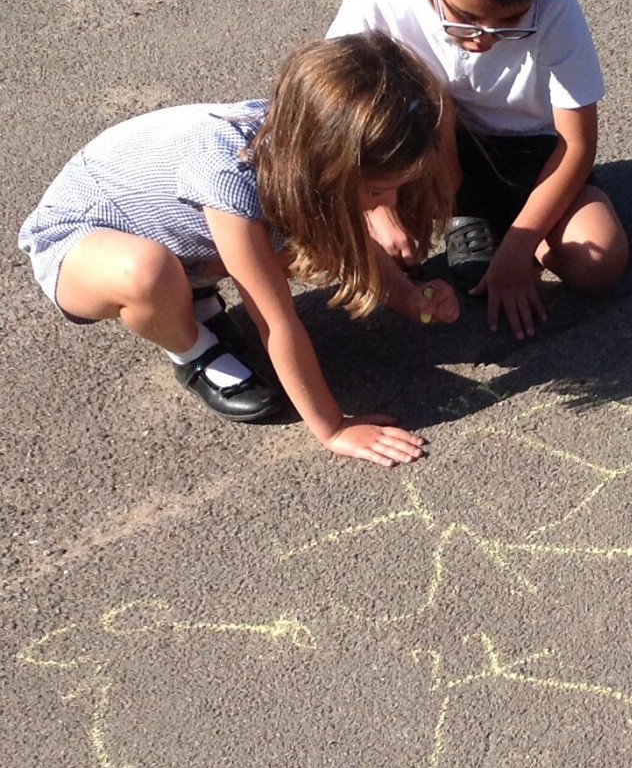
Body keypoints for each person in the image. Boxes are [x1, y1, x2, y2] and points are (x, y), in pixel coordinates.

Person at [18, 32, 459, 467]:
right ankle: (193, 349)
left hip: (176, 236)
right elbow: (274, 319)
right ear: (331, 164)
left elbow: (346, 240)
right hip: (79, 240)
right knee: (148, 274)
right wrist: (334, 427)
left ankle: (192, 289)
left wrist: (404, 295)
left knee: (296, 242)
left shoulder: (306, 139)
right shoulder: (230, 173)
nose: (390, 205)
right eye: (379, 190)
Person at [328, 0, 628, 340]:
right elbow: (336, 110)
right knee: (374, 249)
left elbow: (576, 143)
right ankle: (462, 208)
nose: (483, 39)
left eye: (510, 22)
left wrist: (520, 245)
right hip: (425, 146)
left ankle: (507, 221)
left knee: (600, 262)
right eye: (465, 19)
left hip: (529, 149)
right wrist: (375, 212)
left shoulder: (555, 4)